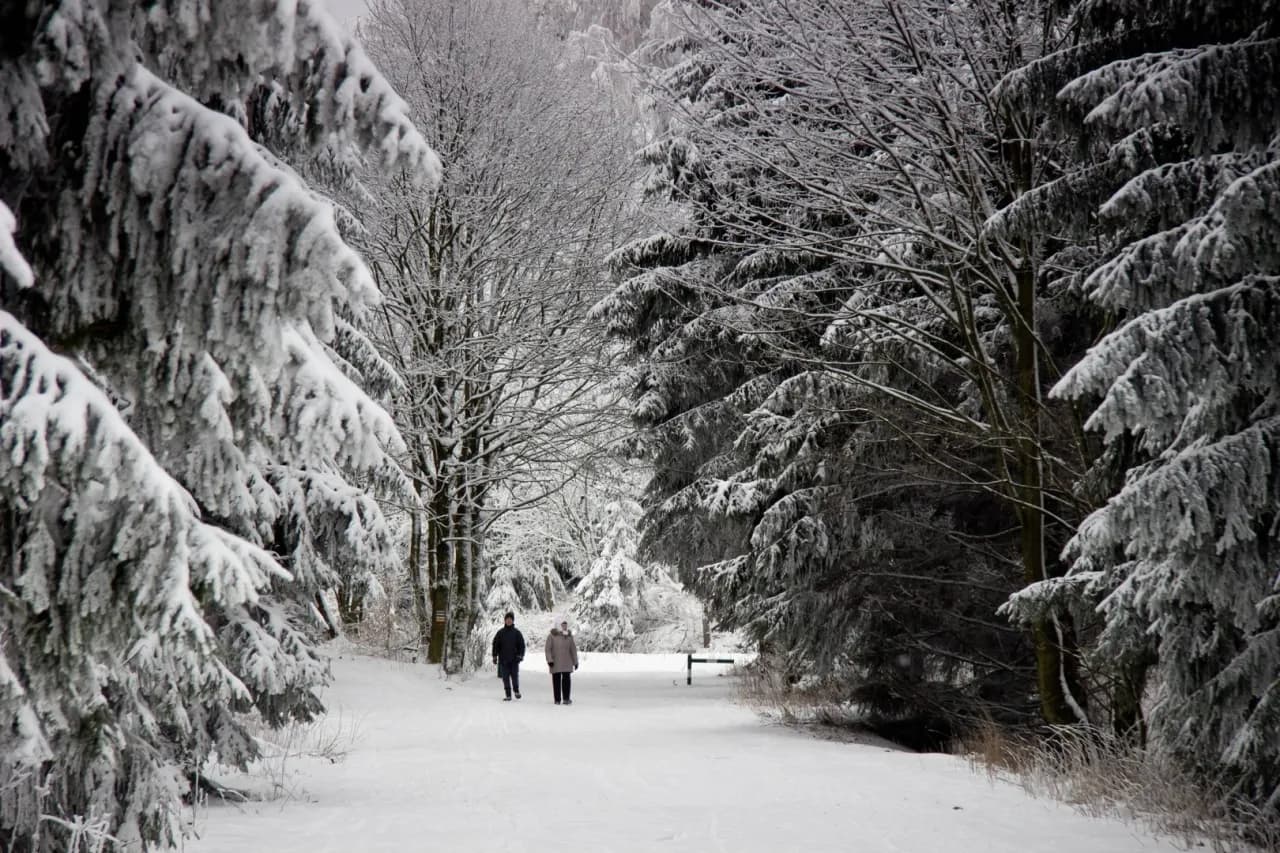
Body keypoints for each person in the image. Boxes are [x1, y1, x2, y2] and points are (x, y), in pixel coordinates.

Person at [492, 611, 525, 701]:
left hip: (514, 659)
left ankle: (516, 690)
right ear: (505, 621)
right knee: (505, 678)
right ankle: (508, 695)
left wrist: (520, 655)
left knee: (514, 676)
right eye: (507, 619)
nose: (509, 621)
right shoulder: (500, 633)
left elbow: (521, 645)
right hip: (503, 660)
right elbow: (495, 645)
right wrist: (494, 656)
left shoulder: (517, 633)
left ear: (513, 621)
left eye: (510, 619)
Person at [544, 617, 579, 705]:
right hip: (555, 662)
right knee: (556, 680)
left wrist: (575, 662)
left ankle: (566, 698)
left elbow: (573, 650)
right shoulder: (552, 636)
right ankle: (557, 699)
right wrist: (550, 660)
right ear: (558, 625)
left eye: (565, 625)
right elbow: (548, 649)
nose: (564, 626)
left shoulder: (569, 636)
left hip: (567, 662)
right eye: (562, 625)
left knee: (566, 680)